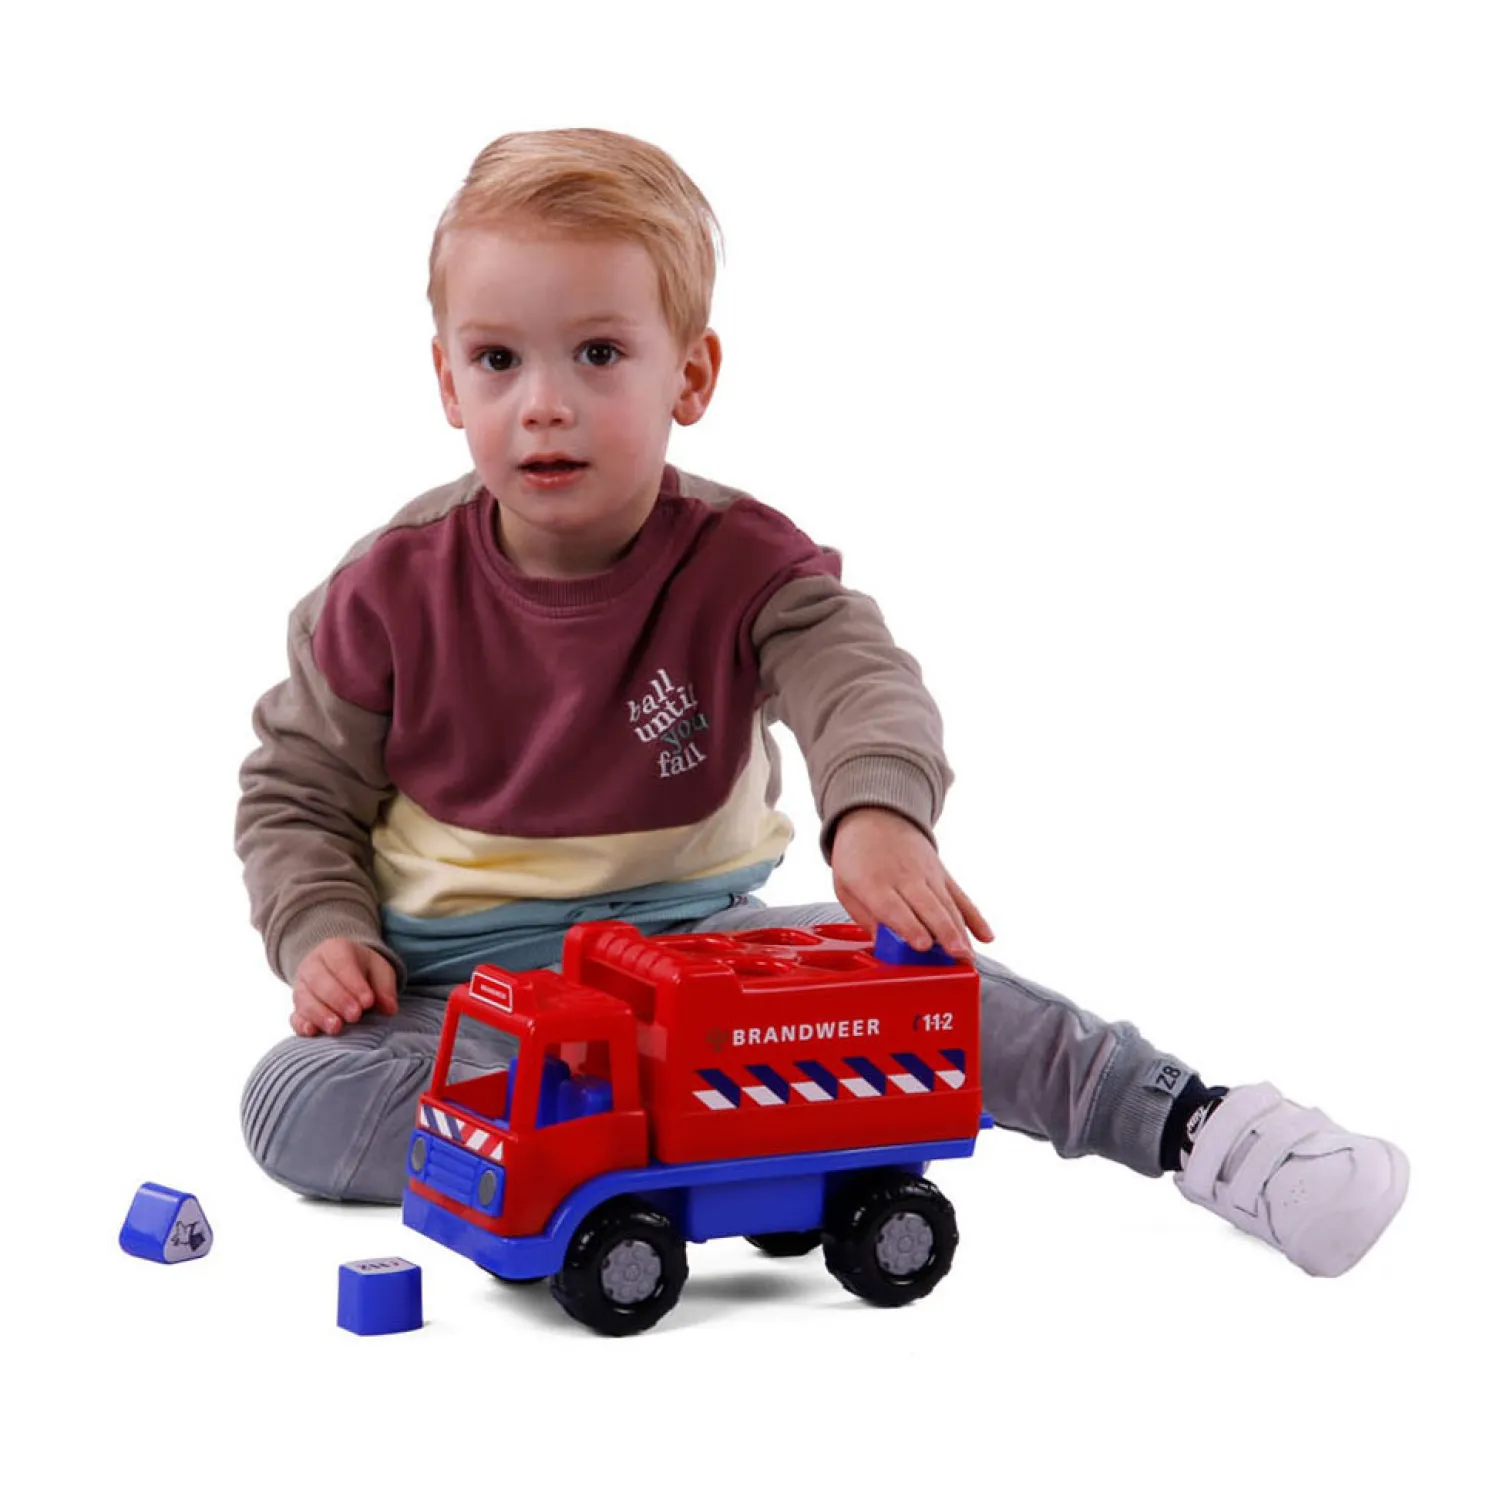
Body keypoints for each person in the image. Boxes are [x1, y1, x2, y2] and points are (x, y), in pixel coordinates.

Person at [236, 127, 1407, 1277]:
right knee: (293, 1105)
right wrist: (324, 932)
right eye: (499, 360)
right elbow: (295, 794)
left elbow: (857, 678)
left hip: (700, 955)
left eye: (598, 353)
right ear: (447, 380)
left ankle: (1200, 1129)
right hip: (467, 998)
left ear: (691, 375)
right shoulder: (386, 590)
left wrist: (877, 815)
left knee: (938, 991)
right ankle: (709, 1130)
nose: (544, 403)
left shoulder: (745, 565)